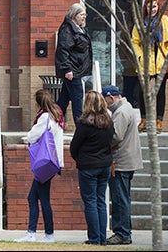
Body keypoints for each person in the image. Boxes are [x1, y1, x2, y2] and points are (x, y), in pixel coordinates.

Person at [15, 89, 65, 243]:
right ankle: (34, 232)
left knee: (42, 199)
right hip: (53, 162)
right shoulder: (56, 114)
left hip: (45, 163)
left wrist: (24, 139)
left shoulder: (44, 116)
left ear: (38, 102)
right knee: (33, 197)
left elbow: (33, 135)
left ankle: (46, 234)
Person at [69, 90, 114, 246]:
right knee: (101, 201)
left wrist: (80, 159)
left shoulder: (84, 124)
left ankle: (95, 239)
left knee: (90, 202)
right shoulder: (109, 122)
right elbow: (112, 142)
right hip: (105, 165)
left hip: (88, 166)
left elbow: (74, 146)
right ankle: (102, 238)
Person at [102, 84, 143, 245]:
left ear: (111, 97)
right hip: (127, 159)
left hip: (121, 161)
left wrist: (100, 143)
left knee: (120, 199)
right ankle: (124, 231)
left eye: (105, 100)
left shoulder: (121, 112)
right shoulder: (127, 108)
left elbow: (116, 136)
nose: (105, 104)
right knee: (123, 197)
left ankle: (122, 233)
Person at [132, 0, 168, 133]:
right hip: (145, 61)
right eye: (149, 7)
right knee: (141, 91)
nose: (152, 9)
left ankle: (159, 121)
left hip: (161, 61)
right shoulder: (140, 23)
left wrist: (166, 55)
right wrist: (140, 56)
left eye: (155, 6)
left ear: (158, 7)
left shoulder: (166, 21)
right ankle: (144, 119)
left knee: (160, 92)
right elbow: (135, 41)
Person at [55, 3, 93, 127]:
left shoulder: (79, 28)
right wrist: (67, 69)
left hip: (77, 70)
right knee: (77, 100)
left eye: (85, 14)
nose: (84, 17)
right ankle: (80, 128)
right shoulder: (68, 29)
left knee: (63, 100)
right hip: (73, 71)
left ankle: (54, 123)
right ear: (74, 15)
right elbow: (63, 50)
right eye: (82, 14)